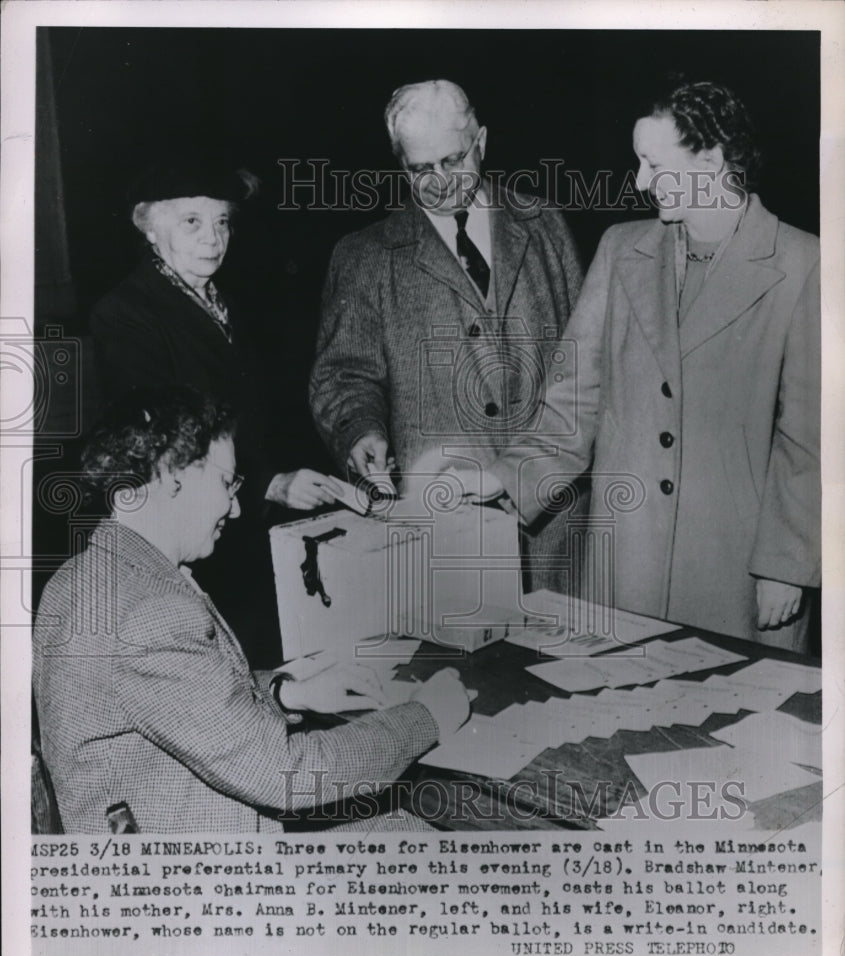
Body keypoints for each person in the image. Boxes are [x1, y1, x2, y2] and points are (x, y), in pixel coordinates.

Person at [460, 81, 820, 650]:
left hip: (736, 571)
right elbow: (572, 405)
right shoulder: (619, 249)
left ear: (711, 161)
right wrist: (502, 476)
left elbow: (811, 436)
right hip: (626, 563)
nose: (641, 181)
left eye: (654, 164)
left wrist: (787, 564)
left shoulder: (805, 263)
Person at [32, 386, 470, 834]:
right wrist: (426, 716)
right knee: (422, 838)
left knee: (401, 830)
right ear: (167, 477)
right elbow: (288, 776)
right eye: (226, 483)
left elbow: (185, 703)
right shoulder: (150, 612)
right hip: (201, 880)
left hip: (157, 832)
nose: (237, 508)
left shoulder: (80, 577)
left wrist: (286, 692)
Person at [309, 79, 585, 593]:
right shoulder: (364, 256)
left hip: (555, 527)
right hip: (446, 529)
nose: (438, 182)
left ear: (481, 142)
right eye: (420, 170)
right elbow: (343, 376)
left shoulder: (544, 224)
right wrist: (359, 431)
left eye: (453, 161)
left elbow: (588, 369)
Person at [90, 157, 341, 666]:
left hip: (242, 530)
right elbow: (164, 447)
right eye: (192, 221)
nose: (213, 237)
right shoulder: (126, 313)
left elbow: (256, 419)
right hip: (187, 541)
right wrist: (269, 481)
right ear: (150, 229)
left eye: (222, 221)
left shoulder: (223, 304)